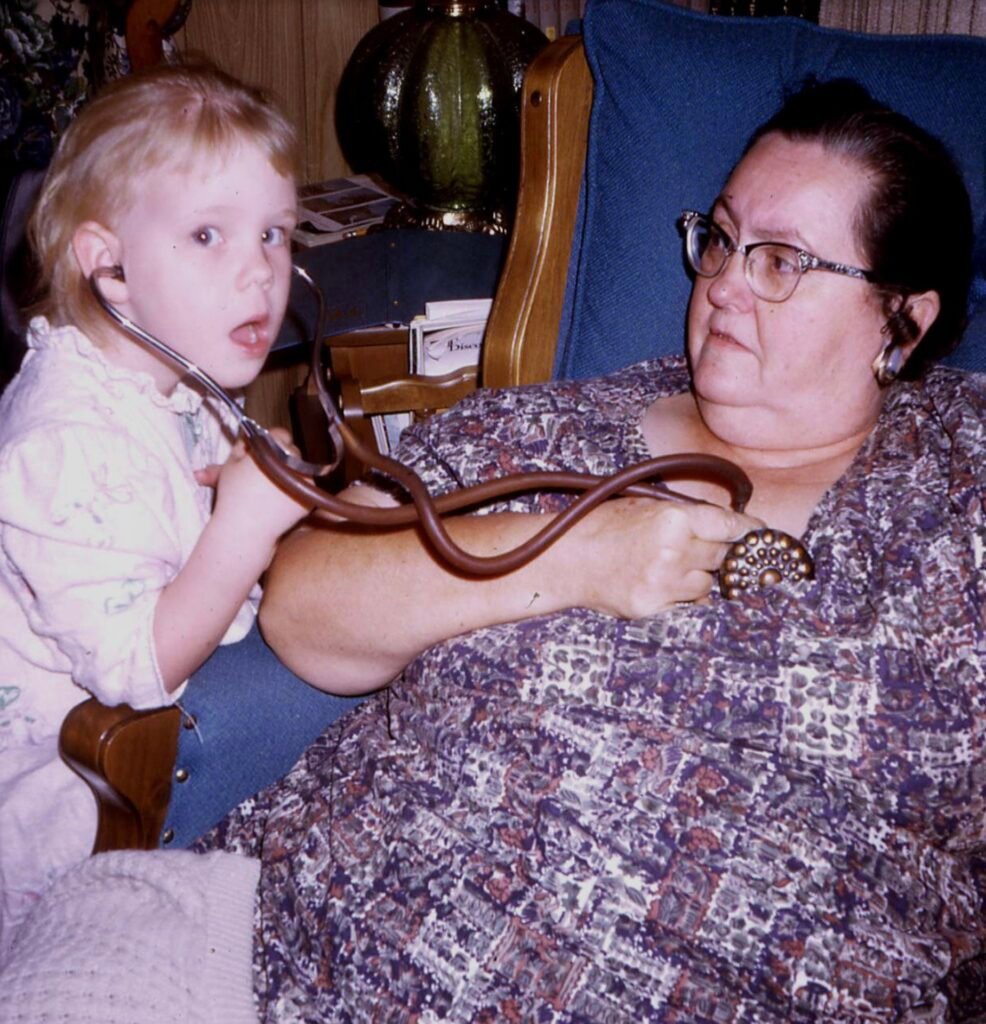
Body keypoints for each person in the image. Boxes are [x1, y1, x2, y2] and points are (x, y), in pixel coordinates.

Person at [197, 78, 986, 1020]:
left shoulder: (961, 482)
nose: (725, 282)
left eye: (783, 262)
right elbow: (303, 607)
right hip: (356, 951)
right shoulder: (534, 430)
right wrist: (577, 555)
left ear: (904, 320)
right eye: (724, 239)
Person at [0, 60, 358, 951]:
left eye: (276, 235)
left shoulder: (168, 369)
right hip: (77, 808)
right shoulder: (64, 446)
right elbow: (134, 670)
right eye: (208, 236)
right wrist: (244, 525)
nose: (259, 275)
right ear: (109, 267)